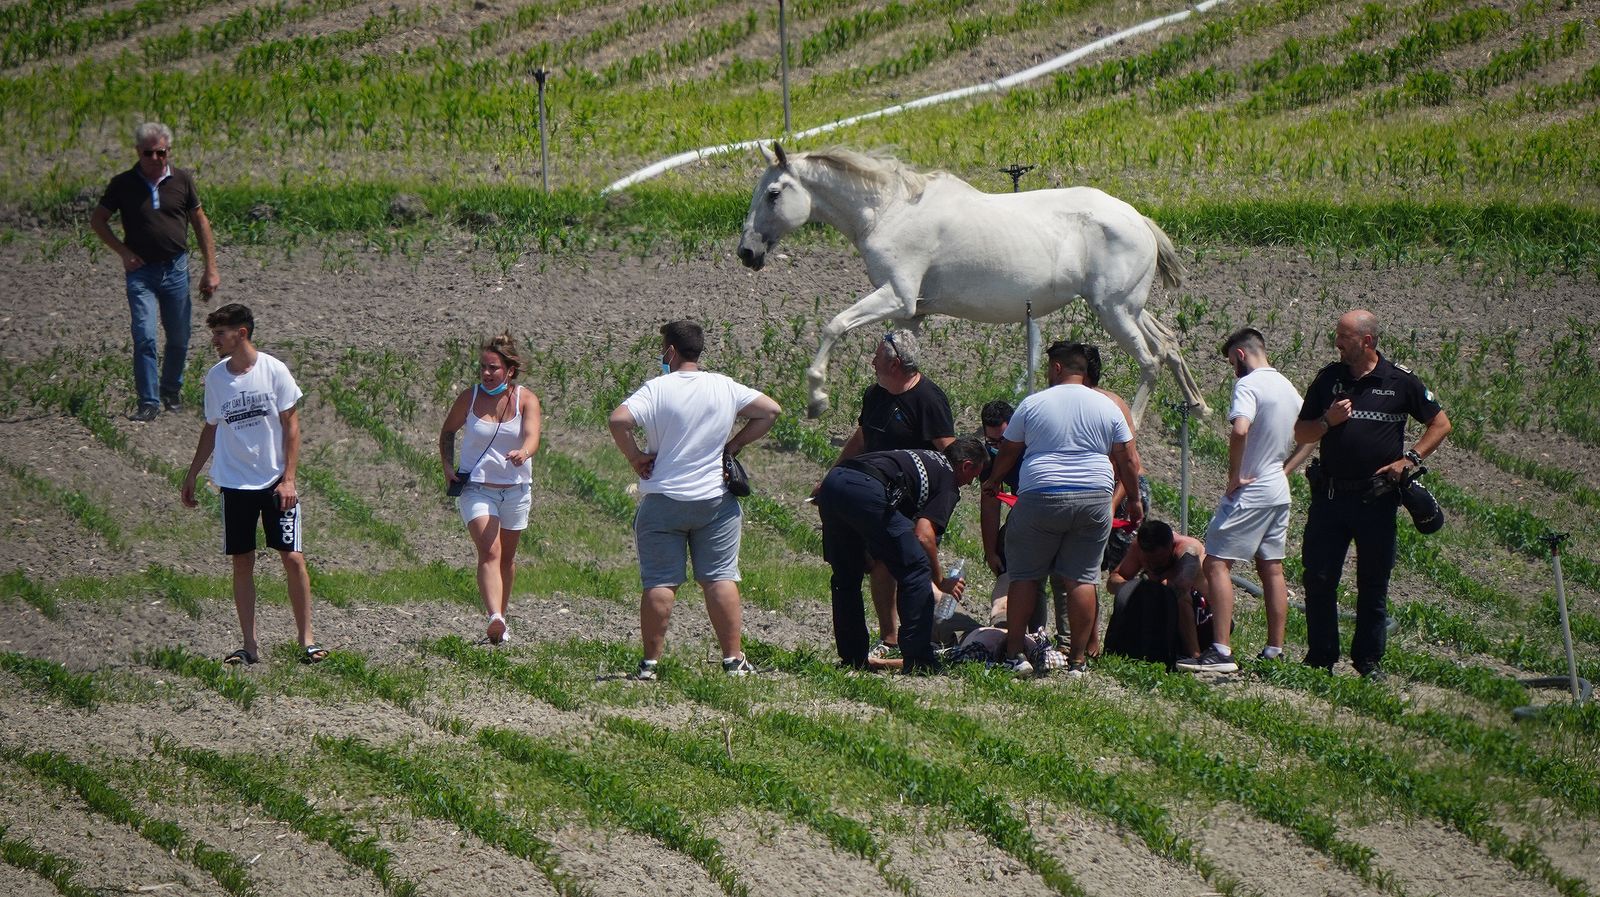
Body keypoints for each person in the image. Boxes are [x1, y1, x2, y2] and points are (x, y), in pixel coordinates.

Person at [609, 320, 782, 681]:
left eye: (662, 348)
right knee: (720, 578)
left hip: (663, 500)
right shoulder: (723, 386)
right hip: (714, 502)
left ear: (670, 350)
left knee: (660, 581)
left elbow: (619, 419)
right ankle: (733, 660)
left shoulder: (656, 389)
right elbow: (770, 411)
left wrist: (636, 457)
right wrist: (732, 446)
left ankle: (650, 665)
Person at [1294, 310, 1452, 680]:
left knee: (1373, 582)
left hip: (1376, 500)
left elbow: (1440, 423)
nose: (1337, 343)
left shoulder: (1399, 381)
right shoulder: (1328, 380)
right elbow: (1302, 433)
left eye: (1344, 337)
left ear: (1366, 341)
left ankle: (1368, 661)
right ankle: (1320, 659)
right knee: (1318, 577)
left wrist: (1409, 459)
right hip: (1330, 499)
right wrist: (1327, 422)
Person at [982, 341, 1143, 677]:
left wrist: (994, 480)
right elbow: (1128, 459)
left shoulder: (1034, 403)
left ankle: (1015, 654)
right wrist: (1135, 501)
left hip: (1042, 494)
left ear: (1056, 368)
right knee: (1082, 578)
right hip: (1095, 498)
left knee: (1025, 575)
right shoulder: (1108, 406)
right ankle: (1078, 661)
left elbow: (1010, 450)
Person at [180, 304, 323, 665]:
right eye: (214, 333)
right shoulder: (216, 378)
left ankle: (307, 641)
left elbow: (292, 425)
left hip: (276, 483)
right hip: (234, 484)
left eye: (220, 333)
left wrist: (289, 479)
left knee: (292, 557)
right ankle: (249, 645)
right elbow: (212, 426)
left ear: (241, 333)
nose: (214, 340)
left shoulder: (273, 370)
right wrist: (193, 472)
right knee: (242, 561)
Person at [823, 329, 955, 663]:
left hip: (909, 496)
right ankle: (891, 635)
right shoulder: (876, 394)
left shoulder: (929, 399)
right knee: (874, 565)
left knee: (893, 564)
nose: (871, 362)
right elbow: (863, 436)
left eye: (877, 358)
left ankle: (908, 638)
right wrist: (833, 474)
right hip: (871, 492)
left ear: (895, 364)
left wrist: (944, 498)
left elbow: (949, 452)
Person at [1193, 328, 1313, 672]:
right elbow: (1310, 435)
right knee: (1271, 568)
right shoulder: (1288, 387)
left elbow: (1240, 429)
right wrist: (1285, 470)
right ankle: (1275, 649)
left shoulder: (1247, 385)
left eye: (1232, 362)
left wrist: (1234, 476)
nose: (1233, 370)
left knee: (1215, 564)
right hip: (1277, 488)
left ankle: (1221, 651)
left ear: (1241, 355)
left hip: (1252, 488)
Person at [816, 438, 988, 671]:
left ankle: (852, 659)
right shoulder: (948, 479)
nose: (970, 484)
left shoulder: (924, 458)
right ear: (966, 466)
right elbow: (924, 534)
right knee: (917, 568)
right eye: (974, 476)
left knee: (846, 577)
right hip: (866, 487)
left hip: (833, 483)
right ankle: (919, 660)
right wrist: (940, 581)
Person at [90, 122, 220, 422]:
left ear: (168, 151)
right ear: (138, 152)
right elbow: (98, 220)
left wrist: (210, 268)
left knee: (179, 334)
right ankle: (148, 402)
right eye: (148, 153)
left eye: (161, 152)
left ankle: (170, 390)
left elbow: (200, 221)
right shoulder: (123, 184)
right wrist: (123, 251)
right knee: (145, 335)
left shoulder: (182, 180)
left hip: (175, 268)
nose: (155, 158)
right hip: (141, 273)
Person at [439, 334, 542, 645]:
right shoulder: (468, 399)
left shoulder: (526, 399)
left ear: (509, 371)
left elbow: (532, 436)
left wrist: (523, 453)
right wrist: (447, 466)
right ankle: (493, 615)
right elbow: (447, 432)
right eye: (482, 367)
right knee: (490, 550)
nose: (485, 373)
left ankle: (501, 619)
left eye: (493, 368)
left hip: (516, 489)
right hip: (477, 488)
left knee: (507, 559)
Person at [978, 399, 1050, 633]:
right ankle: (1008, 623)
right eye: (993, 441)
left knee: (1046, 573)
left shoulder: (1035, 446)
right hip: (1024, 510)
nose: (999, 446)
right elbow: (990, 504)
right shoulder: (990, 456)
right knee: (1008, 558)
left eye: (1004, 440)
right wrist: (990, 552)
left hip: (1051, 505)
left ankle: (1055, 638)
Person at [1107, 520, 1215, 669]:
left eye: (1160, 560)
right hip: (1168, 612)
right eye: (1148, 561)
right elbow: (1113, 582)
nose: (1153, 566)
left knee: (1180, 597)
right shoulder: (1138, 547)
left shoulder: (1188, 549)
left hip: (1206, 618)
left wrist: (1151, 584)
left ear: (1171, 546)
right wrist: (1131, 587)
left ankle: (1194, 655)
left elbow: (1181, 586)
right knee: (1137, 591)